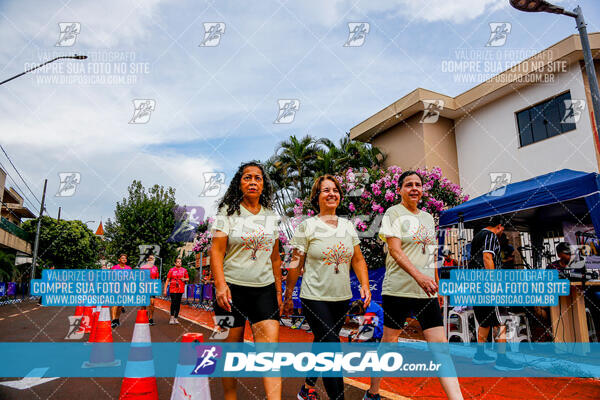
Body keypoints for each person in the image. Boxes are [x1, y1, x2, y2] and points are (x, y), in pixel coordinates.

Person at [364, 171, 463, 400]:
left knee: (440, 348)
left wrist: (436, 284)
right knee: (389, 342)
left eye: (418, 184)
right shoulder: (392, 213)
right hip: (398, 290)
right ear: (400, 190)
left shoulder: (428, 218)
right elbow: (395, 251)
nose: (414, 188)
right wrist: (419, 277)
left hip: (426, 292)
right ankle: (373, 391)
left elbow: (431, 254)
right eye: (409, 184)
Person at [284, 174, 371, 400]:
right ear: (317, 197)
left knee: (323, 341)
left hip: (341, 298)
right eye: (326, 190)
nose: (332, 193)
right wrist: (286, 296)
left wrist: (365, 285)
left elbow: (359, 259)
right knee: (332, 348)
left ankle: (307, 388)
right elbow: (296, 263)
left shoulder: (348, 226)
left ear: (340, 196)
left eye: (335, 190)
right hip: (314, 297)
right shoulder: (307, 226)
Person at [209, 161, 283, 400]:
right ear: (238, 183)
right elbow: (216, 251)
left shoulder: (271, 216)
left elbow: (275, 258)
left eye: (258, 178)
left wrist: (279, 293)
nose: (253, 182)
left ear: (264, 184)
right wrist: (220, 286)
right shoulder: (227, 213)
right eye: (247, 177)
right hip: (231, 292)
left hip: (264, 292)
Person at [469, 216, 521, 370]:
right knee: (500, 320)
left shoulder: (478, 236)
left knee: (485, 320)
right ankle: (502, 359)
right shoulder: (490, 235)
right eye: (502, 229)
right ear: (499, 226)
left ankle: (480, 354)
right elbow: (487, 257)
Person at [163, 257, 189, 324]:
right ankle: (171, 317)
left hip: (180, 289)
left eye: (180, 262)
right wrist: (165, 289)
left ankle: (176, 318)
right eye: (178, 262)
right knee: (173, 302)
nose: (179, 263)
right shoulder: (171, 270)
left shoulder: (184, 270)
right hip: (172, 288)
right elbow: (167, 280)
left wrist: (184, 279)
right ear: (175, 263)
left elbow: (187, 278)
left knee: (178, 303)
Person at [111, 254, 131, 328]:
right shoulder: (114, 268)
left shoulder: (129, 268)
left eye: (125, 258)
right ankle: (113, 320)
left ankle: (117, 319)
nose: (124, 259)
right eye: (122, 258)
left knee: (120, 305)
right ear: (119, 260)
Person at [140, 254, 160, 325]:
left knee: (152, 303)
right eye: (151, 258)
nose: (152, 260)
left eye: (153, 259)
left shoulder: (155, 268)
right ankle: (143, 317)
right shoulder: (143, 268)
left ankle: (150, 318)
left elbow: (157, 278)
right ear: (148, 259)